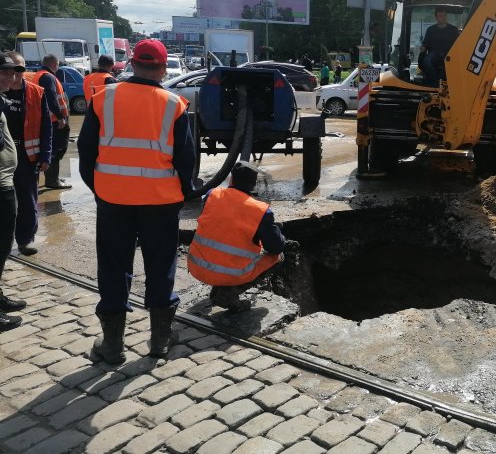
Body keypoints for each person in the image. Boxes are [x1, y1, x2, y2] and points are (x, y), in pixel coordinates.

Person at [78, 38, 195, 363]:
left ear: (131, 63)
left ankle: (113, 345)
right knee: (160, 267)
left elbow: (86, 155)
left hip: (113, 201)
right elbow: (186, 162)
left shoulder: (103, 99)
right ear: (161, 68)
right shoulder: (174, 104)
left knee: (114, 267)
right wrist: (182, 193)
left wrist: (102, 189)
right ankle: (159, 341)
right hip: (160, 203)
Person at [188, 161, 287, 312]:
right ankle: (228, 292)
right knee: (277, 257)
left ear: (231, 179)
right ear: (253, 185)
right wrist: (277, 234)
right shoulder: (260, 211)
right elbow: (275, 247)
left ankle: (220, 287)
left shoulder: (211, 195)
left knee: (225, 245)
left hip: (197, 267)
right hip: (228, 272)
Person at [6, 52, 52, 256]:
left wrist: (46, 155)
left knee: (28, 201)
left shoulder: (37, 92)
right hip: (3, 158)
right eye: (12, 69)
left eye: (20, 69)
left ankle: (25, 240)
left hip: (27, 157)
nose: (16, 73)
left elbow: (46, 126)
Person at [0, 53, 27, 331]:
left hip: (5, 182)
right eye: (5, 72)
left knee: (3, 247)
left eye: (14, 72)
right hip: (0, 186)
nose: (12, 77)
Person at [29, 54, 70, 189]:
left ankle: (52, 178)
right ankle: (52, 181)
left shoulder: (38, 75)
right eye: (57, 64)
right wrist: (60, 118)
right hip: (54, 121)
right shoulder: (48, 77)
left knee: (50, 151)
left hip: (43, 119)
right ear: (54, 64)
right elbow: (51, 98)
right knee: (56, 151)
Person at [420, 6, 460, 86]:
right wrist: (423, 47)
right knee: (427, 61)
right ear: (436, 17)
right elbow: (425, 43)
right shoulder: (430, 30)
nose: (443, 18)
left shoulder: (454, 30)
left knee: (449, 61)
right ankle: (435, 81)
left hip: (448, 54)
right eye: (440, 16)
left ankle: (441, 82)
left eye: (444, 15)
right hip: (434, 53)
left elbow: (458, 45)